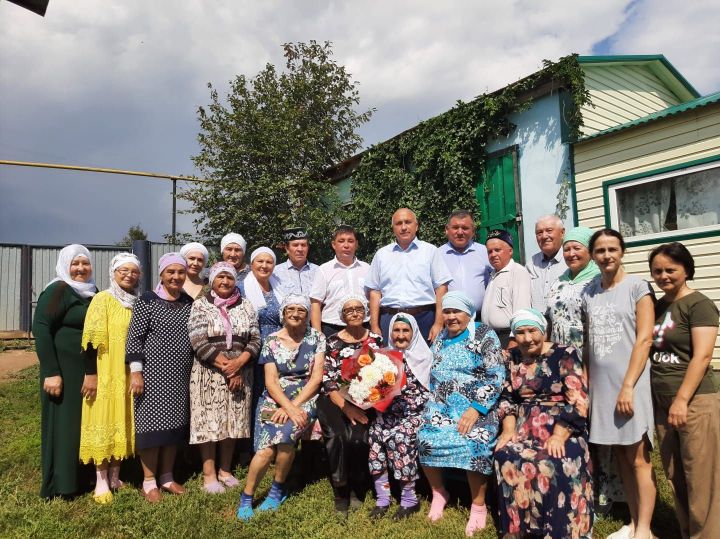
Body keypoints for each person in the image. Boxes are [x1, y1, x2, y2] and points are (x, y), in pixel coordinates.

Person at [581, 229, 656, 539]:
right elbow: (588, 342)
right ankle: (635, 521)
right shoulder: (589, 291)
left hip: (630, 384)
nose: (607, 255)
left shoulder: (638, 287)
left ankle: (646, 530)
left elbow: (645, 338)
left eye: (612, 249)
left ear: (622, 251)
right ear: (593, 255)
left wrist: (628, 385)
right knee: (622, 455)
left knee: (638, 457)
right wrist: (585, 381)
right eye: (600, 250)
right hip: (602, 386)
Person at [495, 309, 593, 538]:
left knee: (552, 460)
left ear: (544, 330)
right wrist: (508, 429)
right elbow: (507, 396)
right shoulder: (512, 358)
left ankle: (559, 530)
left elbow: (578, 397)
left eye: (532, 331)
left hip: (564, 425)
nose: (527, 338)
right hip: (524, 427)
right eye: (520, 333)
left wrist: (559, 435)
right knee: (504, 455)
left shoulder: (565, 353)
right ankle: (517, 528)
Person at [545, 227, 622, 512]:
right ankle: (576, 481)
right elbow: (550, 321)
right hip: (562, 360)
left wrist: (588, 366)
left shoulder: (597, 281)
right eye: (567, 249)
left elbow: (597, 325)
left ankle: (606, 491)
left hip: (589, 359)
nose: (571, 253)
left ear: (589, 251)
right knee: (569, 420)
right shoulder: (559, 280)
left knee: (596, 424)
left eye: (576, 248)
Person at [417, 291, 505, 537]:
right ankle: (439, 492)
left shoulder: (484, 335)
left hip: (477, 406)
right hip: (442, 406)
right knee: (425, 440)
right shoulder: (441, 337)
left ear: (469, 313)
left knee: (474, 443)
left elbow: (497, 375)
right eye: (447, 311)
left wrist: (476, 408)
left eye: (457, 312)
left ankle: (478, 505)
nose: (452, 317)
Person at [648, 242, 720, 539]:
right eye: (657, 271)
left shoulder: (698, 304)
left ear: (686, 270)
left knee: (701, 478)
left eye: (670, 270)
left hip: (694, 400)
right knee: (675, 473)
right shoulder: (659, 305)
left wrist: (681, 400)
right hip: (662, 398)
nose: (663, 275)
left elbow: (702, 356)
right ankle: (686, 530)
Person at [237, 294, 325, 520]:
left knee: (286, 441)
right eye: (290, 310)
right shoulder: (272, 340)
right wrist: (285, 406)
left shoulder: (317, 338)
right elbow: (271, 382)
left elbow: (316, 380)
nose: (295, 314)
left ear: (307, 314)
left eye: (301, 310)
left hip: (305, 397)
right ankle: (247, 496)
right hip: (274, 399)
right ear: (283, 314)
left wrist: (292, 408)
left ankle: (277, 490)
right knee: (266, 449)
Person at [125, 253, 194, 503]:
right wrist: (136, 371)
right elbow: (135, 338)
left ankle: (167, 476)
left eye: (180, 272)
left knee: (173, 430)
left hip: (180, 376)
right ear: (161, 274)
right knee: (152, 429)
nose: (176, 277)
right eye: (170, 272)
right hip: (152, 375)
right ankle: (149, 481)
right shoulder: (148, 301)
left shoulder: (188, 302)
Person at [187, 262, 261, 494]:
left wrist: (238, 366)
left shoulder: (247, 306)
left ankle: (226, 471)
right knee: (208, 423)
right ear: (212, 280)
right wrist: (228, 367)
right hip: (208, 374)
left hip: (241, 374)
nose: (225, 282)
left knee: (233, 422)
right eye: (220, 278)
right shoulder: (200, 305)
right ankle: (209, 475)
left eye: (229, 278)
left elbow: (256, 339)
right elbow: (198, 340)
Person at [33, 244, 97, 498]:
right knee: (65, 425)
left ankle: (83, 477)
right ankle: (62, 483)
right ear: (65, 265)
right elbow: (41, 328)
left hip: (88, 371)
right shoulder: (58, 290)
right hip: (64, 371)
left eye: (85, 263)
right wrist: (51, 371)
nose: (80, 269)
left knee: (84, 424)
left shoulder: (92, 292)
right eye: (75, 264)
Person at [79, 252, 141, 504]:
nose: (128, 275)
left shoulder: (138, 301)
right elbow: (90, 343)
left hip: (128, 373)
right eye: (123, 271)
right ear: (113, 273)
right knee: (104, 421)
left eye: (134, 271)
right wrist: (91, 375)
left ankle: (116, 476)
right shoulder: (102, 299)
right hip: (105, 372)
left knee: (123, 420)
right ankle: (101, 480)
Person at [318, 294, 383, 517]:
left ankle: (358, 487)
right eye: (349, 310)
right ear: (342, 316)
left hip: (368, 401)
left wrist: (368, 399)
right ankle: (341, 491)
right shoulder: (332, 341)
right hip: (335, 399)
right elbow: (327, 379)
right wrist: (346, 407)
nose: (354, 313)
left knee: (358, 437)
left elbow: (385, 374)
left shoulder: (376, 340)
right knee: (337, 436)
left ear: (365, 313)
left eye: (358, 309)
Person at [367, 313, 432, 521]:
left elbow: (427, 393)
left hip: (412, 413)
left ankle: (409, 499)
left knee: (400, 438)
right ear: (390, 333)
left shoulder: (424, 357)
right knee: (375, 438)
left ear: (413, 333)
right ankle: (383, 497)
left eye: (405, 331)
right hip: (386, 413)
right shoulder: (383, 357)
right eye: (396, 330)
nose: (401, 335)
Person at [366, 208, 452, 342]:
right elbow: (374, 292)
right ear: (393, 228)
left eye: (408, 222)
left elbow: (441, 288)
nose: (404, 227)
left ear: (416, 226)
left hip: (424, 319)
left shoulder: (430, 251)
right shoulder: (381, 255)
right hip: (389, 320)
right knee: (390, 361)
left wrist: (438, 323)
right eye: (399, 223)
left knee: (426, 361)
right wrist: (375, 325)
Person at [239, 247, 284, 417]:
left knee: (273, 391)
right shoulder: (240, 288)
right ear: (252, 264)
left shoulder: (280, 286)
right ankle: (251, 440)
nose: (264, 265)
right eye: (260, 261)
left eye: (269, 262)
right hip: (252, 348)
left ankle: (270, 434)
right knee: (254, 393)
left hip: (277, 348)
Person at [310, 224, 370, 337]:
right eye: (341, 241)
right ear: (334, 244)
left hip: (363, 328)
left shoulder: (367, 268)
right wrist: (318, 335)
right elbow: (315, 304)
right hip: (333, 329)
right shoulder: (323, 270)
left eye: (350, 241)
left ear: (356, 244)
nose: (346, 245)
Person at [480, 229, 531, 348]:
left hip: (508, 338)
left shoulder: (518, 272)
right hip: (491, 337)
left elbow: (522, 310)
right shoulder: (492, 274)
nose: (493, 255)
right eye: (489, 252)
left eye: (497, 250)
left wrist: (514, 340)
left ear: (510, 251)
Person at [440, 210, 491, 313]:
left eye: (465, 228)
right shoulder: (437, 255)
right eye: (455, 228)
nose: (460, 232)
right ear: (447, 230)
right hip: (450, 320)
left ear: (472, 231)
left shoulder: (485, 252)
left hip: (480, 319)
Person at [526, 214, 567, 313]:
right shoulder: (531, 264)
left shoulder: (570, 260)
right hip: (537, 325)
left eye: (549, 230)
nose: (544, 236)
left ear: (562, 233)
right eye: (539, 232)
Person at [273, 227, 318, 295]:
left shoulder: (318, 271)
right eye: (295, 245)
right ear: (287, 248)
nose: (300, 249)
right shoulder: (276, 273)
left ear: (308, 248)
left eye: (303, 245)